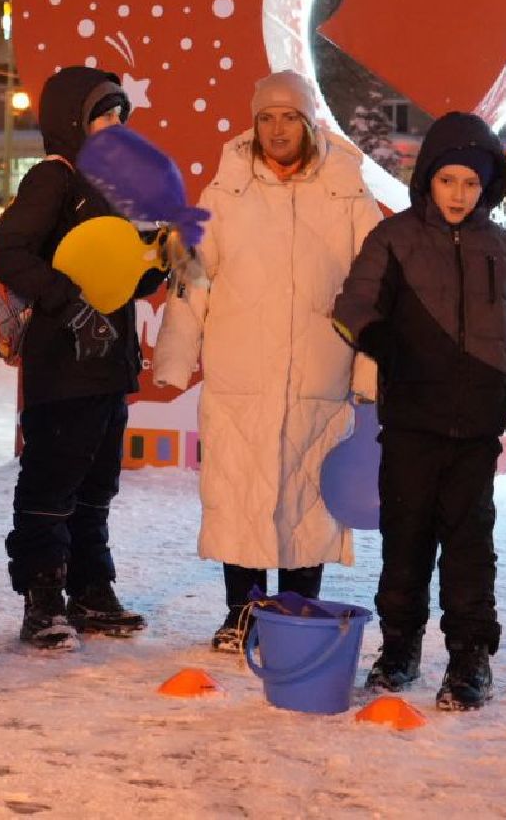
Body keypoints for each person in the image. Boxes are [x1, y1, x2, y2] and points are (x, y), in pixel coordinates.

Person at [151, 70, 381, 652]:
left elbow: (375, 287)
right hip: (241, 374)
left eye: (289, 118)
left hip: (319, 373)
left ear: (307, 123)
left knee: (310, 494)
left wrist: (369, 369)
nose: (277, 130)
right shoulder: (224, 193)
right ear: (253, 125)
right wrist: (176, 358)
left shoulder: (346, 190)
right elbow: (192, 279)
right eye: (266, 118)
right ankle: (243, 613)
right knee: (239, 490)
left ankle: (298, 609)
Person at [332, 110, 506, 712]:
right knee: (405, 542)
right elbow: (350, 306)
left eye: (470, 183)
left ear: (488, 188)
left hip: (478, 429)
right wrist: (383, 339)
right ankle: (399, 649)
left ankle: (469, 660)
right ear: (428, 178)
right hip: (410, 425)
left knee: (471, 547)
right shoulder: (394, 238)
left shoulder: (505, 251)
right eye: (447, 180)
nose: (458, 194)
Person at [0, 66, 163, 652]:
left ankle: (91, 590)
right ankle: (43, 600)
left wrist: (154, 265)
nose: (114, 126)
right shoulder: (53, 179)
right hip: (62, 366)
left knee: (97, 487)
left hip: (108, 366)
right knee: (50, 483)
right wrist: (70, 304)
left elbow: (117, 279)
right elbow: (12, 251)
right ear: (72, 122)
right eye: (102, 115)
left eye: (120, 115)